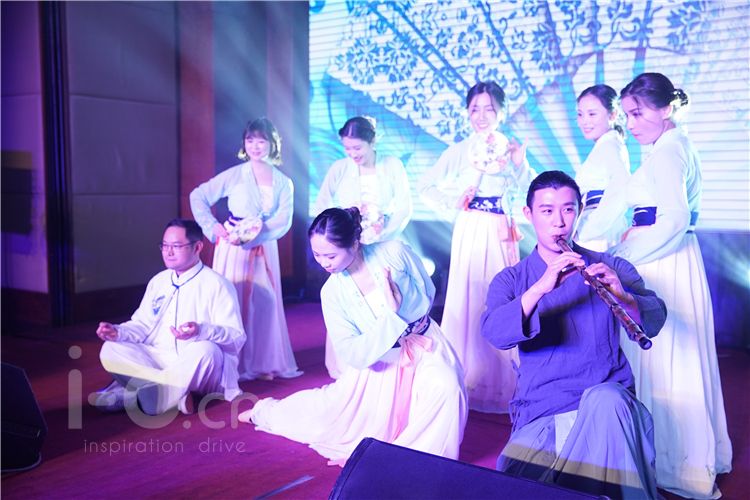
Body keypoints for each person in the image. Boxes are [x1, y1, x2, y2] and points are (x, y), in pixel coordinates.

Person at [480, 171, 666, 499]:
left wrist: (622, 297)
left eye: (568, 209)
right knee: (517, 478)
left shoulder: (611, 267)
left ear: (579, 211)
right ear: (528, 214)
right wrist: (540, 288)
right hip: (543, 408)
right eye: (547, 211)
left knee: (607, 401)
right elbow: (495, 332)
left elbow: (655, 318)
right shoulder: (511, 279)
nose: (559, 222)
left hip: (609, 405)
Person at [239, 208, 467, 464]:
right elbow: (352, 353)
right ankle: (267, 412)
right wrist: (391, 317)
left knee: (447, 387)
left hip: (425, 345)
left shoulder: (394, 252)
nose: (324, 263)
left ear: (355, 243)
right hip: (380, 362)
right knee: (328, 417)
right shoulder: (332, 293)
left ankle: (421, 461)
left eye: (330, 255)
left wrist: (402, 308)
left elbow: (427, 291)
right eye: (317, 255)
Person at [611, 72, 732, 498]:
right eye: (627, 115)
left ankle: (674, 461)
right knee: (673, 358)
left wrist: (626, 256)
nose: (631, 124)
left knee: (667, 359)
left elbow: (675, 218)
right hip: (670, 256)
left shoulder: (668, 151)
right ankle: (686, 455)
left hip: (663, 260)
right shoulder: (671, 145)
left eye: (638, 113)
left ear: (665, 109)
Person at [418, 81, 536, 413]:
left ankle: (503, 380)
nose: (481, 116)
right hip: (471, 228)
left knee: (500, 297)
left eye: (489, 109)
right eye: (474, 109)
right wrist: (454, 201)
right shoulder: (460, 150)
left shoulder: (510, 148)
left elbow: (532, 189)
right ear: (467, 112)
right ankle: (468, 377)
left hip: (501, 230)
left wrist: (520, 164)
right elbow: (425, 185)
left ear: (502, 112)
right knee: (469, 297)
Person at [91, 219, 246, 416]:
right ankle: (171, 395)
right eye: (164, 246)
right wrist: (117, 332)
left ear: (197, 247)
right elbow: (142, 325)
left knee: (207, 349)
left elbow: (236, 338)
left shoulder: (218, 284)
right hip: (158, 358)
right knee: (111, 348)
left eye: (176, 246)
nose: (168, 252)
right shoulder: (158, 281)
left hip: (195, 365)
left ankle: (137, 393)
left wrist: (201, 330)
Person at [190, 118, 301, 381]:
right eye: (250, 140)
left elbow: (283, 219)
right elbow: (198, 196)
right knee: (232, 300)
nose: (255, 146)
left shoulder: (283, 182)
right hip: (233, 245)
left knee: (266, 301)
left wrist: (257, 232)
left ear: (273, 144)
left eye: (261, 141)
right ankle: (231, 364)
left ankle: (264, 362)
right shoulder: (235, 174)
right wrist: (214, 227)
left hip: (264, 244)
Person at [314, 116, 413, 379]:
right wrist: (341, 229)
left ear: (372, 141)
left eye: (357, 147)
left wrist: (384, 229)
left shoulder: (392, 165)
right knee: (348, 299)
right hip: (348, 247)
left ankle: (392, 355)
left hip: (381, 243)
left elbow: (404, 206)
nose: (352, 154)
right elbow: (322, 203)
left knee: (387, 296)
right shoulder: (339, 167)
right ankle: (348, 363)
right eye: (347, 148)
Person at [573, 84, 631, 251]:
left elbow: (622, 187)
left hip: (600, 235)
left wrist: (588, 229)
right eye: (580, 114)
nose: (585, 121)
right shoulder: (605, 145)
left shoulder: (610, 145)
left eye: (592, 114)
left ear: (612, 114)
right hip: (596, 231)